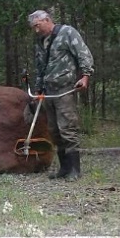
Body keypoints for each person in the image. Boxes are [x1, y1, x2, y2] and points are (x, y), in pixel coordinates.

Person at [27, 10, 94, 180]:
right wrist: (38, 89)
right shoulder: (40, 42)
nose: (36, 30)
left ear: (47, 20)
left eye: (37, 26)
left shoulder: (67, 33)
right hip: (48, 91)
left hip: (65, 88)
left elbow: (83, 54)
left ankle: (75, 170)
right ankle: (64, 168)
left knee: (67, 128)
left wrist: (85, 76)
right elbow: (40, 67)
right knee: (54, 130)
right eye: (33, 27)